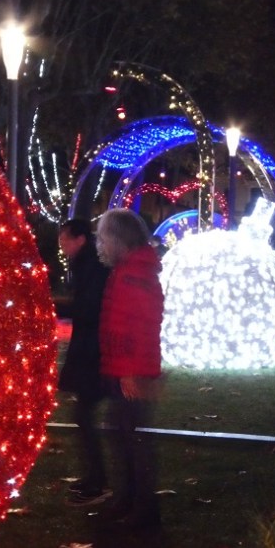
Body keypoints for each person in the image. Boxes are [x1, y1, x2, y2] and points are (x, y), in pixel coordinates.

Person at [96, 208, 165, 528]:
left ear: (118, 240)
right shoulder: (129, 271)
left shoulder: (134, 275)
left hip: (132, 373)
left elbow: (137, 329)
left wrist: (129, 373)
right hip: (126, 370)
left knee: (133, 441)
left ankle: (143, 507)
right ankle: (129, 499)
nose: (100, 245)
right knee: (124, 436)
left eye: (103, 238)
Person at [57, 219, 112, 506]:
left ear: (80, 239)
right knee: (83, 414)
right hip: (89, 351)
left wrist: (57, 305)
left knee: (84, 414)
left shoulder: (92, 265)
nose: (62, 246)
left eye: (65, 240)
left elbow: (89, 308)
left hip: (94, 354)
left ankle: (98, 481)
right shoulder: (85, 264)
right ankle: (94, 478)